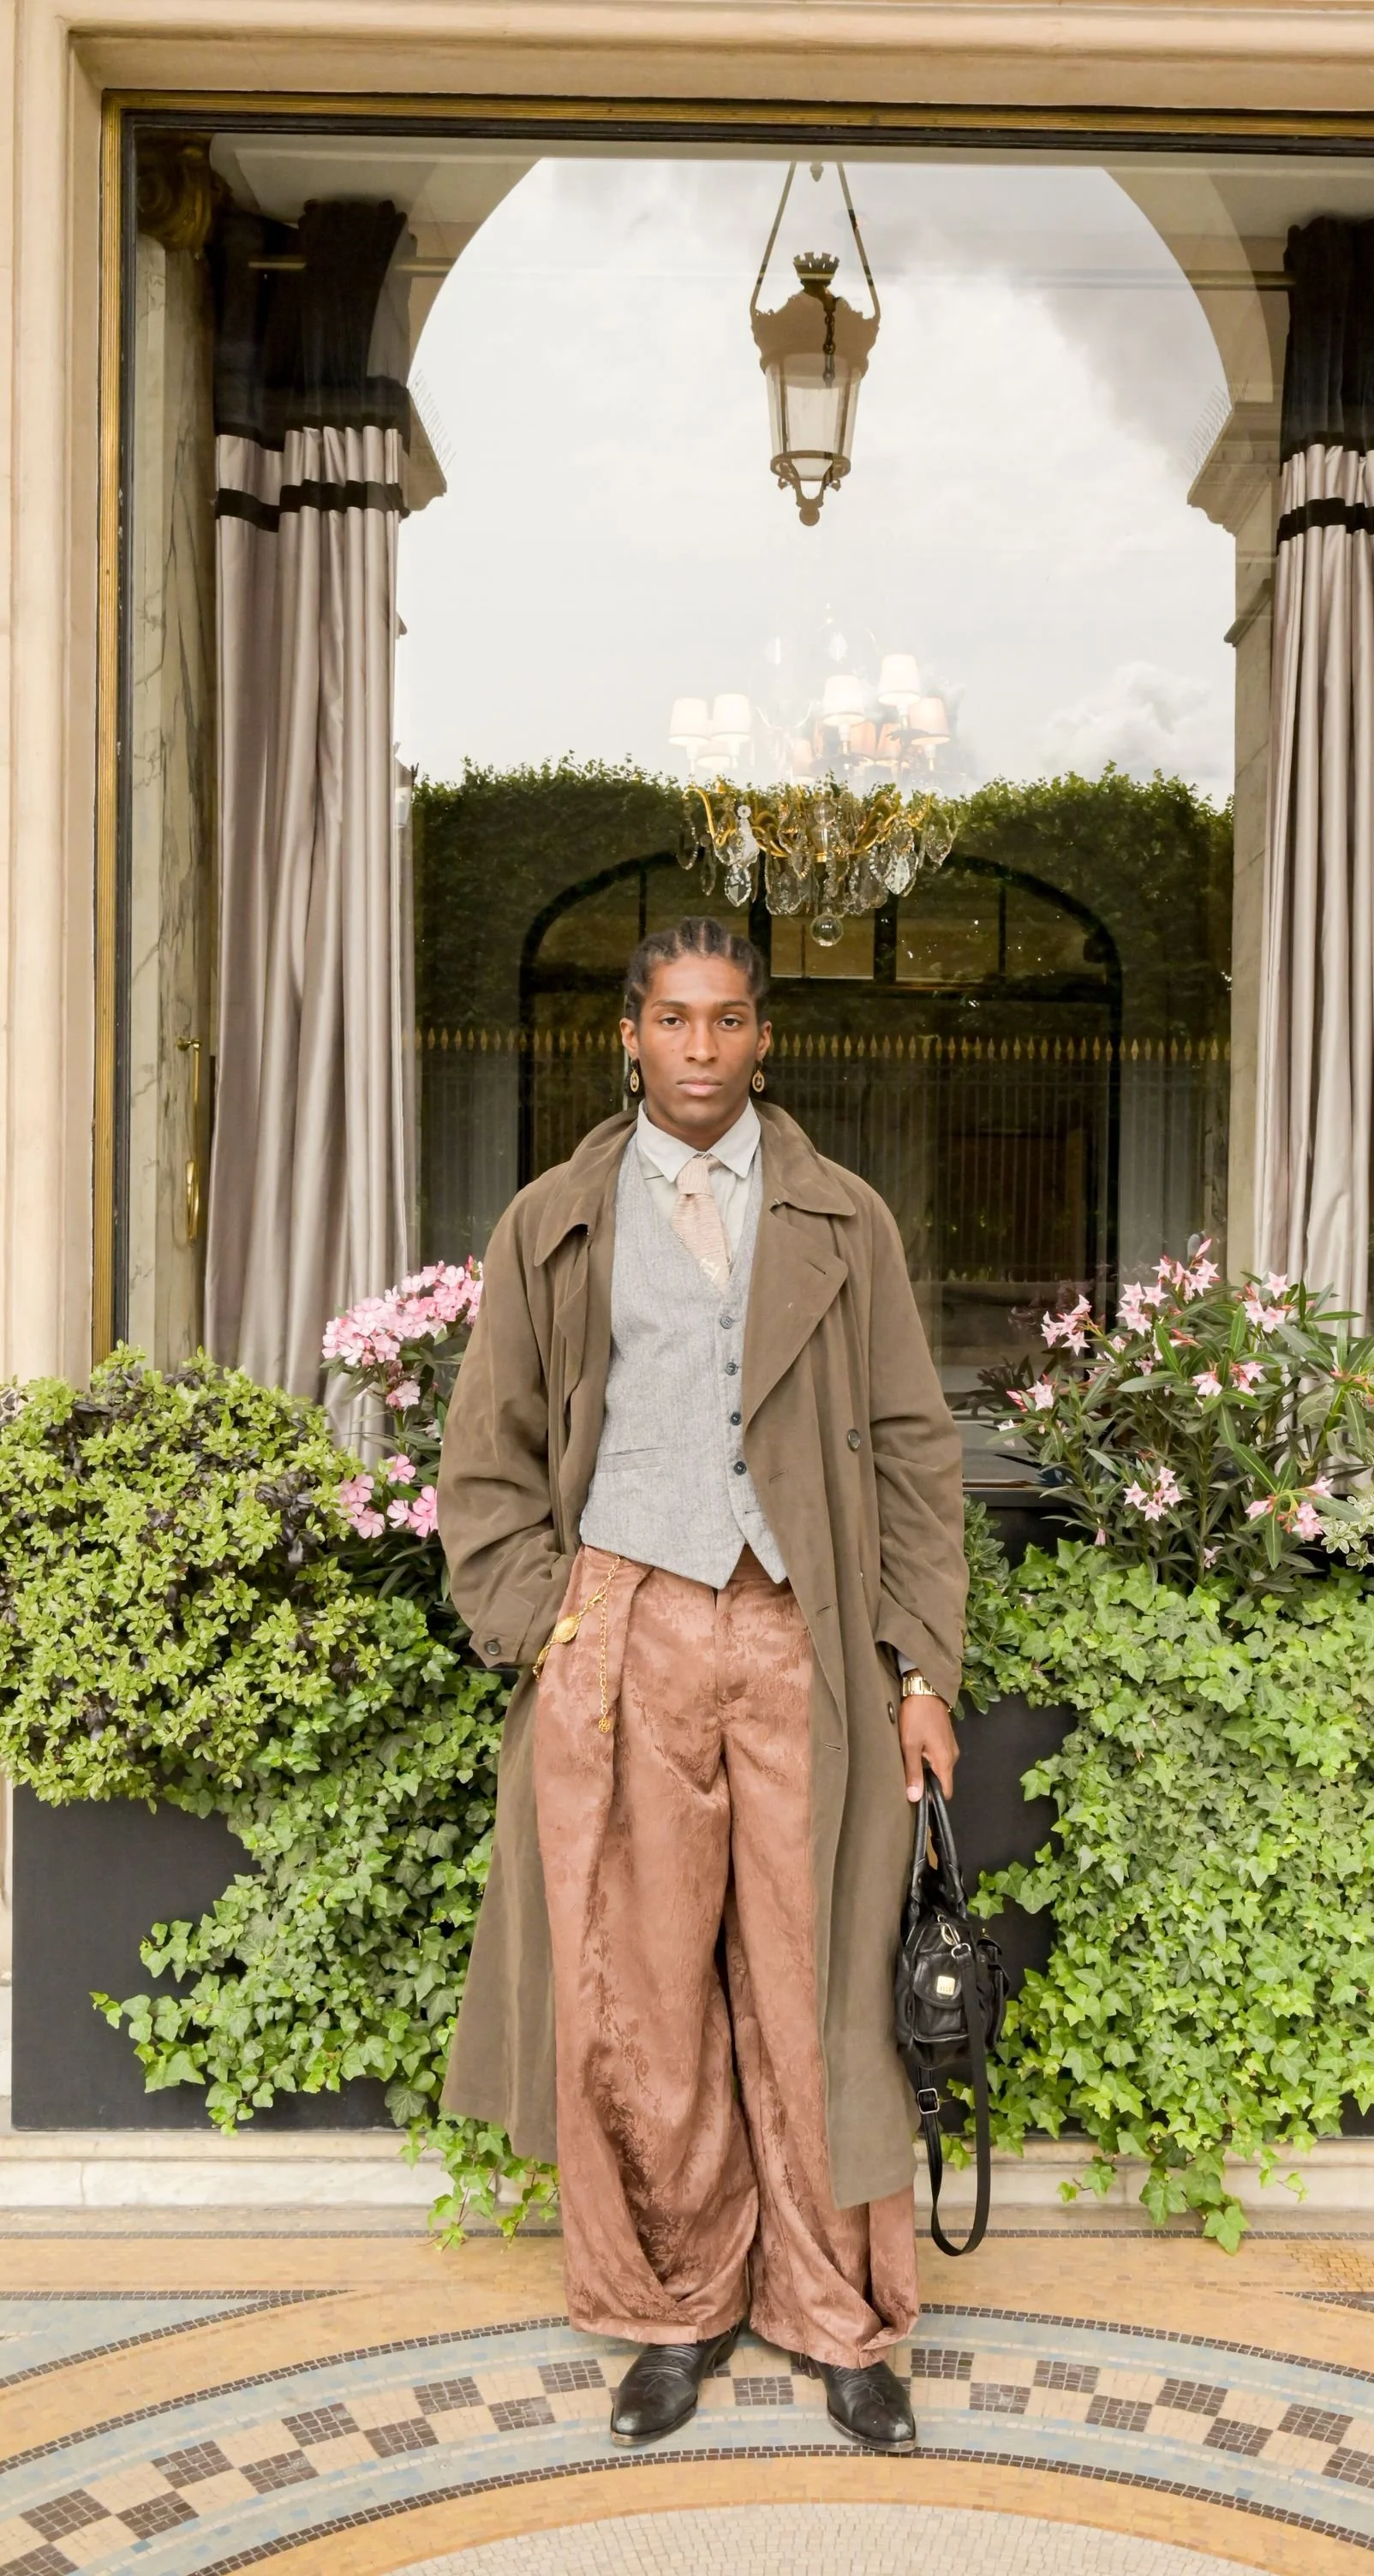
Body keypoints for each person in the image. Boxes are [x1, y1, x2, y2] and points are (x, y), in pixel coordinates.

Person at [436, 915, 967, 2454]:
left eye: (729, 1021)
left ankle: (841, 2321)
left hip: (805, 1635)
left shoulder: (838, 1215)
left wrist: (922, 1662)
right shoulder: (555, 1216)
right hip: (627, 1628)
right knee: (647, 1993)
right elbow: (489, 1458)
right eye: (674, 1020)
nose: (701, 1049)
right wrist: (548, 1622)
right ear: (629, 1033)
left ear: (762, 1038)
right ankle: (671, 2309)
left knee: (817, 1991)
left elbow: (919, 1450)